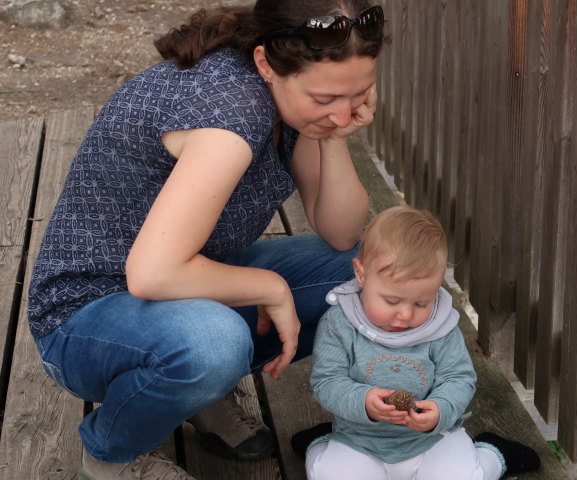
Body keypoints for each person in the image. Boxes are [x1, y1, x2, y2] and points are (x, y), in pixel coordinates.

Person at [27, 1, 386, 479]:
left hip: (182, 285)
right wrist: (271, 289)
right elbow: (153, 273)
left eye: (358, 93)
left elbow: (341, 233)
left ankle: (198, 396)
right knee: (213, 343)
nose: (343, 114)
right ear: (265, 63)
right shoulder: (230, 113)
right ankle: (108, 455)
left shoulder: (292, 101)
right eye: (324, 100)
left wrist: (335, 137)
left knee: (375, 269)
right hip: (85, 315)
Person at [299, 205, 540, 479]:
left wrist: (439, 409)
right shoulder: (340, 322)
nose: (405, 314)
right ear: (361, 274)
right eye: (391, 301)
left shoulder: (440, 326)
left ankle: (492, 453)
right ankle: (321, 444)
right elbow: (326, 382)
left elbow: (458, 378)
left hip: (432, 440)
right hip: (359, 439)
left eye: (422, 302)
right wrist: (363, 400)